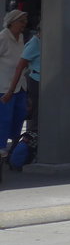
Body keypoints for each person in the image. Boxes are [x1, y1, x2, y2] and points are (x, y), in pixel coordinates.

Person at [0, 9, 30, 150]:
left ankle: (13, 149)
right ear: (12, 22)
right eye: (21, 21)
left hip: (20, 85)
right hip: (4, 87)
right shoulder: (3, 37)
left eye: (25, 21)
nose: (24, 24)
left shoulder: (21, 38)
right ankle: (1, 149)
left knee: (19, 117)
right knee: (4, 120)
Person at [6, 20, 41, 134]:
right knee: (35, 114)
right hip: (36, 81)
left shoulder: (41, 43)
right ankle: (25, 143)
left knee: (37, 115)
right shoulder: (34, 44)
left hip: (40, 81)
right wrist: (11, 89)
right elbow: (20, 66)